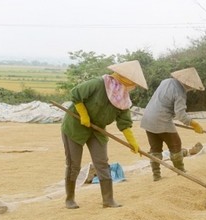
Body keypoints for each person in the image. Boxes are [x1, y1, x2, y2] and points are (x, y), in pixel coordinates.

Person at [61, 60, 147, 209]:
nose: (133, 87)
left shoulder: (123, 99)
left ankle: (108, 199)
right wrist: (83, 114)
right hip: (75, 126)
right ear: (125, 78)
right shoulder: (98, 84)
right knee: (74, 164)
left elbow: (124, 123)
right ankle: (70, 198)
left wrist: (132, 142)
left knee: (102, 163)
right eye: (133, 83)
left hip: (97, 129)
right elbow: (76, 94)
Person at [140, 67, 205, 182]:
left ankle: (156, 175)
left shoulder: (165, 81)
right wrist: (194, 124)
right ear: (188, 84)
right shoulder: (180, 93)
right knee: (176, 145)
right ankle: (180, 171)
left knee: (155, 148)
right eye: (192, 87)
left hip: (147, 118)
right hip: (162, 120)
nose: (191, 89)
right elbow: (181, 115)